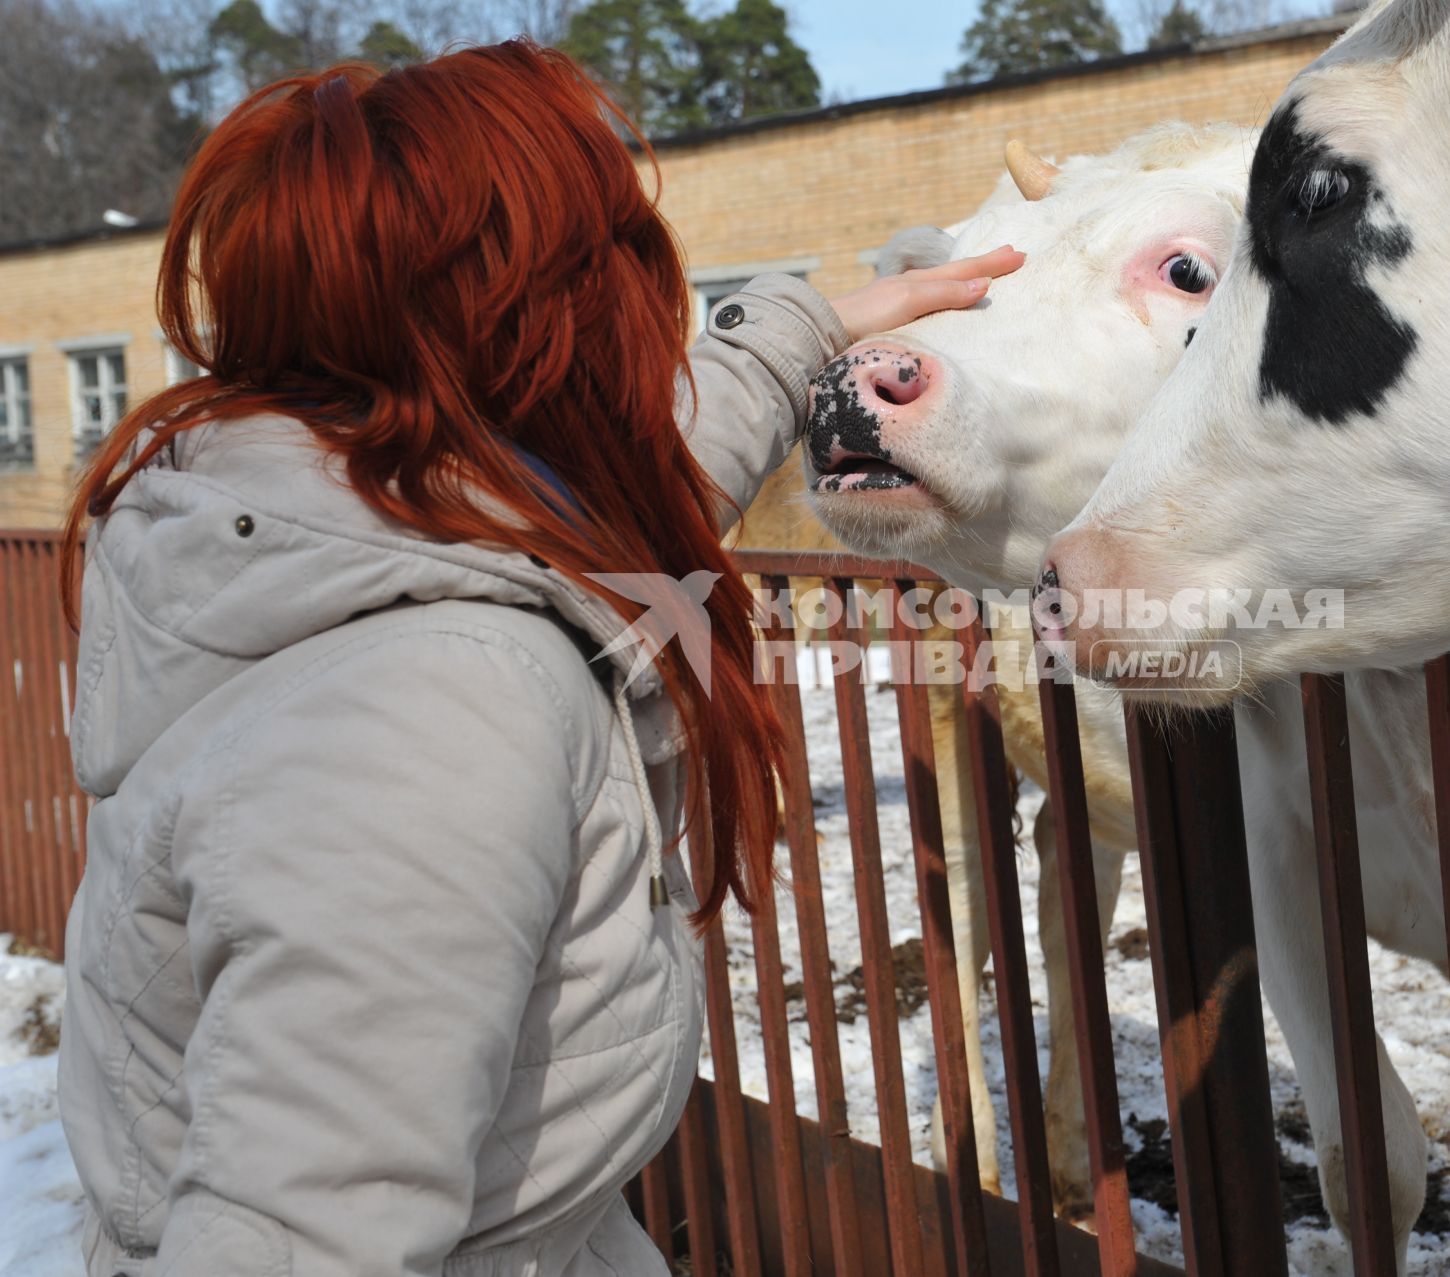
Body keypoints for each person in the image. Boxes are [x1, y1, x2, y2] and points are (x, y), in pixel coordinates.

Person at [54, 40, 1020, 1276]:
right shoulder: (433, 712)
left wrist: (803, 332)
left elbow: (615, 495)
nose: (648, 288)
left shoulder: (336, 514)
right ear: (540, 313)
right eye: (614, 247)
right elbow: (294, 1240)